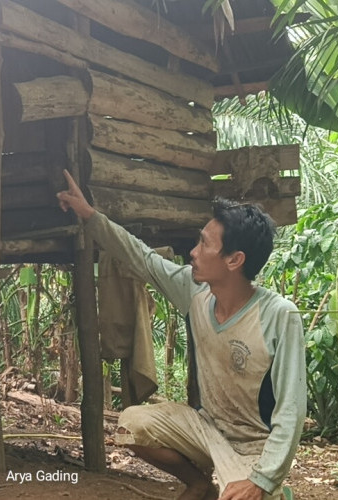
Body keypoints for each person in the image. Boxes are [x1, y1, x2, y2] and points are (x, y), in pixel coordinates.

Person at [57, 170, 306, 500]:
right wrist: (90, 215)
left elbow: (291, 410)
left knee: (249, 494)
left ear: (235, 260)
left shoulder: (279, 315)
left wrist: (262, 479)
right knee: (132, 424)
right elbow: (141, 258)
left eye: (204, 244)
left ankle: (272, 490)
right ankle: (200, 483)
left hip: (255, 446)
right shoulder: (193, 291)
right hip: (206, 428)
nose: (193, 251)